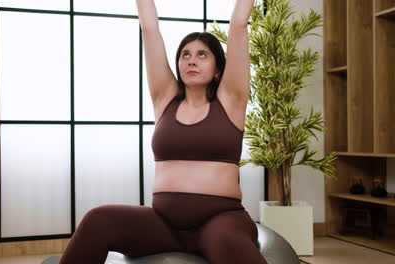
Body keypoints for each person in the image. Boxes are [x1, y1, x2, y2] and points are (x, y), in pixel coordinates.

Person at [59, 0, 267, 263]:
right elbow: (149, 28)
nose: (192, 60)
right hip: (164, 224)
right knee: (98, 219)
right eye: (185, 54)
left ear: (217, 70)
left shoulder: (231, 100)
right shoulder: (165, 98)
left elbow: (238, 25)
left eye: (202, 54)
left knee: (228, 242)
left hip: (221, 220)